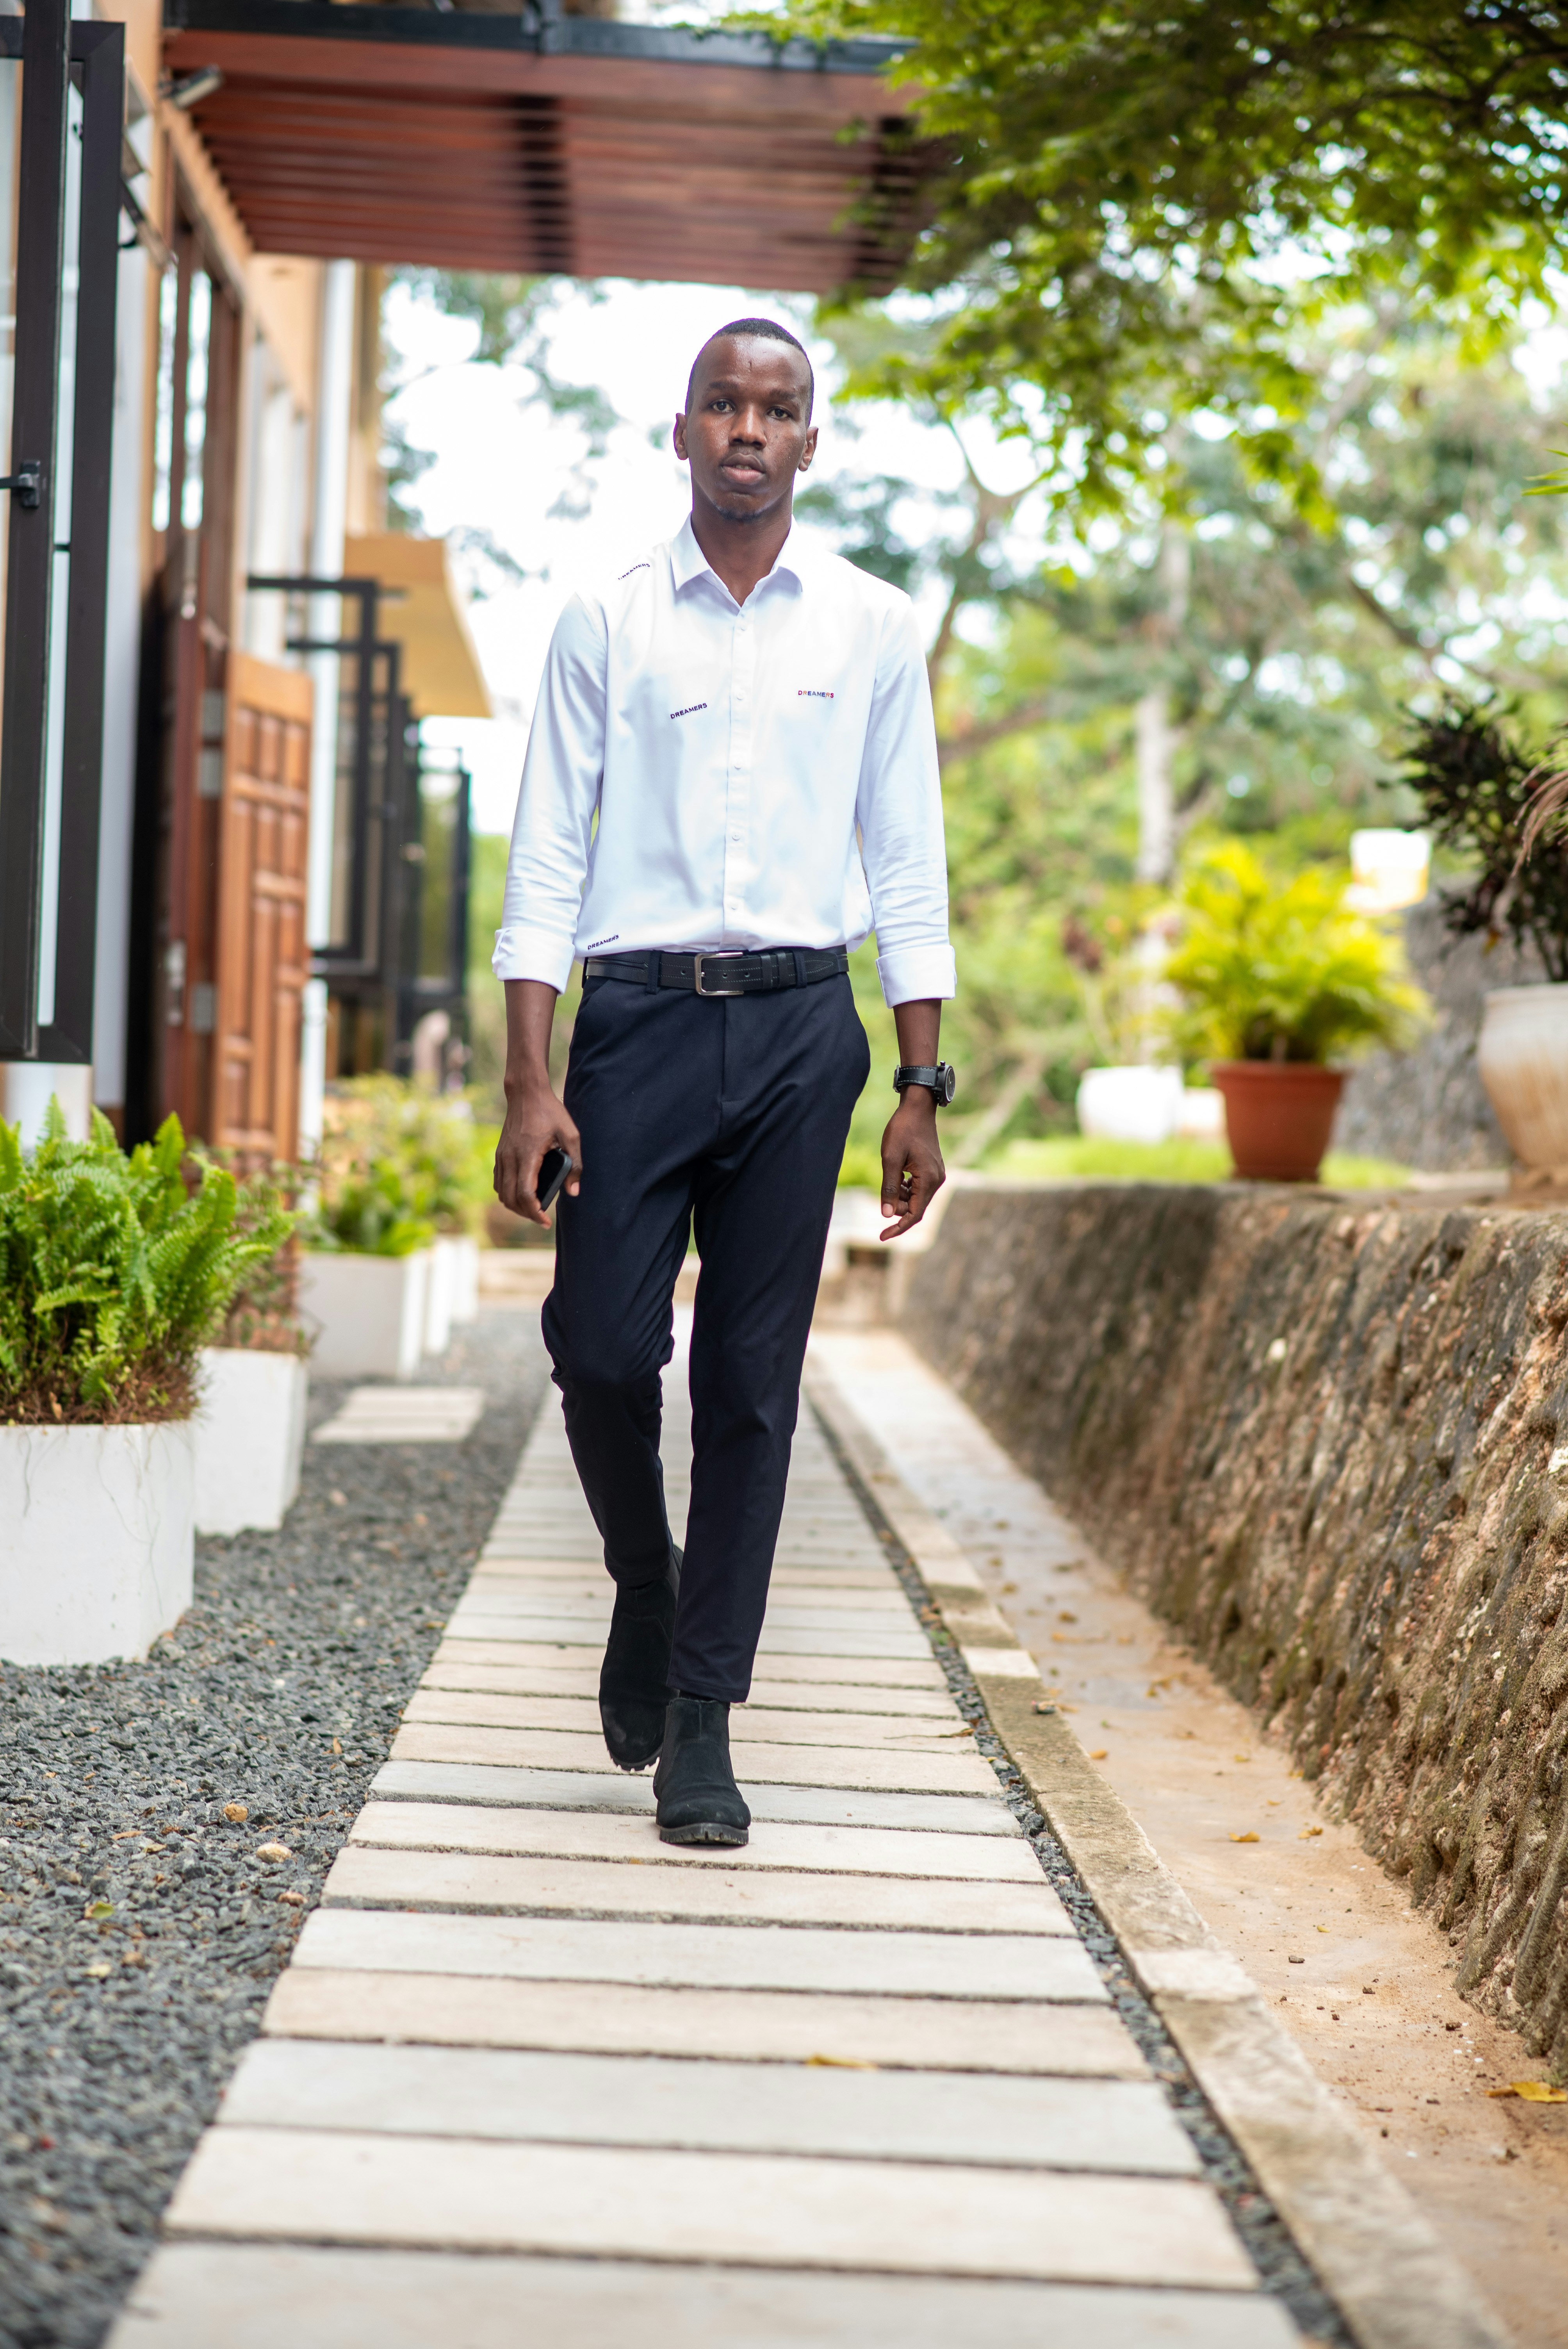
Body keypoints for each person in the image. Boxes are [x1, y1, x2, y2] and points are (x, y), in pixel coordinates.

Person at [492, 317, 956, 1846]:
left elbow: (906, 853)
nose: (749, 429)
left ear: (809, 441)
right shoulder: (604, 619)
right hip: (632, 1028)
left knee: (750, 1388)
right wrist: (526, 1075)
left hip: (800, 1035)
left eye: (779, 408)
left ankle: (705, 1716)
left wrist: (915, 1079)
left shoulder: (872, 627)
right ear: (679, 430)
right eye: (723, 404)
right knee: (603, 1348)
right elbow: (548, 851)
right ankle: (645, 1575)